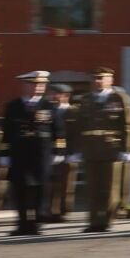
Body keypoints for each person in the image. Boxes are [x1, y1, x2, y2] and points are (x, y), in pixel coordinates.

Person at [69, 67, 130, 232]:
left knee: (110, 187)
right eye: (95, 78)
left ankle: (107, 220)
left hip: (111, 148)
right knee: (92, 187)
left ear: (110, 80)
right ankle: (94, 221)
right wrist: (76, 149)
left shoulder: (120, 98)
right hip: (91, 148)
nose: (98, 81)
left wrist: (128, 149)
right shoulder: (85, 99)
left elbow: (128, 125)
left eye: (102, 78)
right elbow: (78, 126)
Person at [1, 70, 59, 236]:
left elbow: (58, 130)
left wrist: (58, 150)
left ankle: (38, 221)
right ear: (25, 85)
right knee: (19, 188)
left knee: (41, 188)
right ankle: (22, 222)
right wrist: (4, 153)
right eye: (34, 84)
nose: (38, 88)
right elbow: (6, 131)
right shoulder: (13, 106)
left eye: (41, 84)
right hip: (19, 153)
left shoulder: (49, 106)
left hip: (42, 153)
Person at [46, 82, 78, 221]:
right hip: (51, 152)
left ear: (66, 96)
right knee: (52, 183)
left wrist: (73, 152)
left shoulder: (74, 111)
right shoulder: (49, 110)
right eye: (52, 93)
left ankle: (64, 210)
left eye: (56, 93)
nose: (53, 96)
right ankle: (51, 210)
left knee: (66, 183)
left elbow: (76, 133)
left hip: (69, 152)